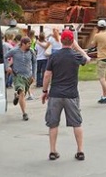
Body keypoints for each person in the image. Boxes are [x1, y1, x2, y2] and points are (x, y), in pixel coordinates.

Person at [41, 29, 91, 161]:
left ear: (61, 40)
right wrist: (79, 48)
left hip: (56, 94)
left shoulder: (54, 56)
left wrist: (45, 91)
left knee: (53, 123)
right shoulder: (76, 56)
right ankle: (80, 150)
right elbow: (87, 59)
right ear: (72, 41)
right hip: (71, 94)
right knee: (77, 123)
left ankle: (53, 151)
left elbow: (47, 75)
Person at [4, 37, 37, 121]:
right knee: (22, 93)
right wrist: (7, 66)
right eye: (28, 44)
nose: (30, 45)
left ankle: (17, 96)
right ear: (23, 44)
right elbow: (5, 57)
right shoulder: (14, 51)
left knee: (22, 94)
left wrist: (33, 75)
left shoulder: (31, 52)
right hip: (17, 76)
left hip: (28, 76)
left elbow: (34, 62)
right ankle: (24, 113)